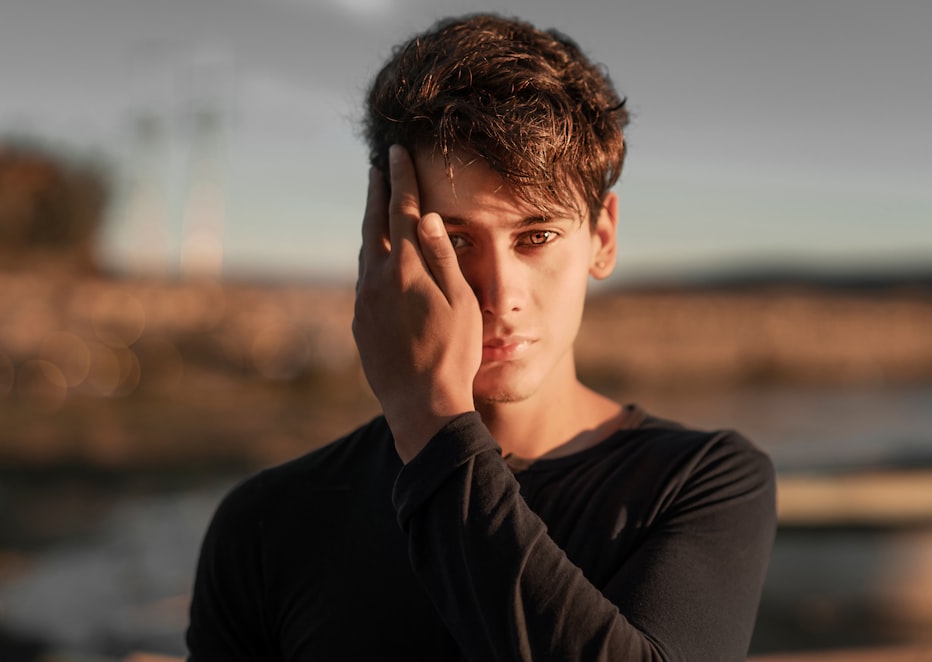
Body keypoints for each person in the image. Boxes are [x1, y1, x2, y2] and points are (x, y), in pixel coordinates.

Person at [186, 13, 776, 662]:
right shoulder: (270, 521)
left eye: (537, 236)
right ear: (387, 240)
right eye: (456, 240)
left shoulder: (698, 483)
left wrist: (431, 419)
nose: (498, 294)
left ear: (601, 238)